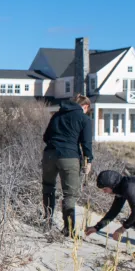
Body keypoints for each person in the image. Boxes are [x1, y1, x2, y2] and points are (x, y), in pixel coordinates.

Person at [41, 94, 95, 237]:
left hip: (49, 154)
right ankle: (68, 229)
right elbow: (86, 143)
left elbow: (46, 137)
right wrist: (88, 160)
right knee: (69, 194)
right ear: (85, 106)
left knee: (48, 188)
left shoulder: (57, 115)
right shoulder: (84, 119)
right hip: (69, 157)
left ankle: (47, 222)